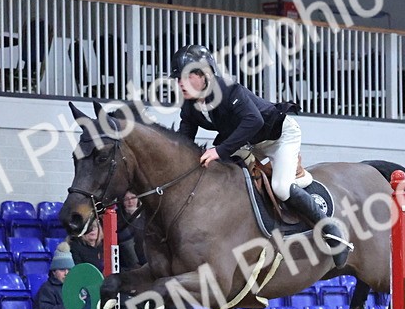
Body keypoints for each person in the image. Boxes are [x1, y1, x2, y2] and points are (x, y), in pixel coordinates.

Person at [170, 44, 349, 268]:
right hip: (249, 142)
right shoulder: (190, 106)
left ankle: (331, 230)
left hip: (279, 137)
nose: (180, 84)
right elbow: (184, 139)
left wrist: (219, 151)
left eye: (186, 77)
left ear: (204, 75)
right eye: (177, 79)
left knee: (281, 188)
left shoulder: (228, 90)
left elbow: (254, 121)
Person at [117, 191, 146, 270]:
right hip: (127, 262)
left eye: (133, 198)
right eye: (126, 199)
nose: (130, 202)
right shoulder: (118, 217)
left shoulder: (146, 215)